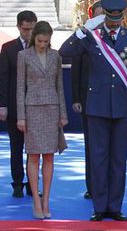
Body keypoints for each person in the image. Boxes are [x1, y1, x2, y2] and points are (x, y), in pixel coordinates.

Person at [59, 0, 127, 221]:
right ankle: (99, 206)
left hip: (122, 105)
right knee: (98, 158)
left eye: (118, 19)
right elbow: (64, 51)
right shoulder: (92, 37)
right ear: (104, 16)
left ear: (123, 15)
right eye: (111, 19)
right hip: (96, 106)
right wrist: (84, 29)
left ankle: (115, 206)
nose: (115, 24)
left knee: (118, 158)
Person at [16, 21, 66, 220]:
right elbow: (20, 87)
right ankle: (36, 201)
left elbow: (60, 86)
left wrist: (63, 113)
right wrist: (21, 115)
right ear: (34, 37)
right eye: (39, 41)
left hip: (52, 109)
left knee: (49, 156)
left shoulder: (56, 56)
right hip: (32, 110)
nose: (43, 44)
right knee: (33, 155)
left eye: (46, 41)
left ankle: (46, 200)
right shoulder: (23, 56)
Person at [0, 10, 37, 199]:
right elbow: (3, 78)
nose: (28, 33)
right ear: (18, 27)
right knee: (16, 148)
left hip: (36, 108)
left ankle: (32, 184)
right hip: (15, 107)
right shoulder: (8, 48)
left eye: (32, 29)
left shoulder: (42, 46)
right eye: (25, 29)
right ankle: (17, 183)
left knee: (34, 149)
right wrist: (2, 105)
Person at [71, 2, 104, 200]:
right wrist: (76, 97)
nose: (100, 22)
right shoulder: (84, 38)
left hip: (110, 99)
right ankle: (92, 186)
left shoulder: (118, 38)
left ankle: (108, 186)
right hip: (88, 97)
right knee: (91, 145)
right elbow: (76, 69)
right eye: (97, 18)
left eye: (104, 17)